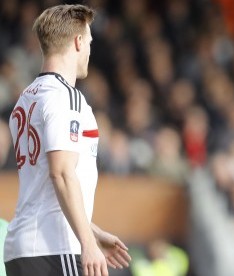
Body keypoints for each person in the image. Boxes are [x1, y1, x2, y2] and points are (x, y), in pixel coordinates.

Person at [4, 4, 131, 276]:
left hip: (22, 249)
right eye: (89, 41)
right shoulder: (66, 97)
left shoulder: (24, 100)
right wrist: (87, 243)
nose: (89, 50)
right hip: (56, 247)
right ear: (78, 41)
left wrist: (92, 231)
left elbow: (43, 191)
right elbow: (60, 174)